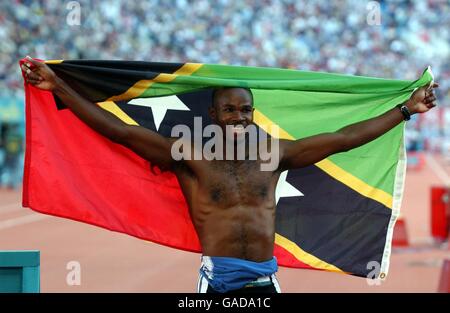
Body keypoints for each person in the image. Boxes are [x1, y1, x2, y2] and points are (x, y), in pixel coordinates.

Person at [21, 56, 438, 293]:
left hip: (264, 278)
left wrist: (406, 110)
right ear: (213, 115)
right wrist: (57, 86)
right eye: (230, 110)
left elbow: (346, 137)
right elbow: (118, 130)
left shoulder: (275, 154)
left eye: (246, 110)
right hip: (216, 280)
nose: (240, 117)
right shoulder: (188, 156)